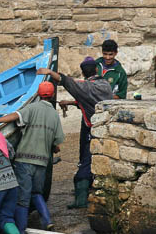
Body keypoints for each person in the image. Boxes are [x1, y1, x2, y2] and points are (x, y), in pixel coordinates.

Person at [0, 82, 65, 234]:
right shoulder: (54, 115)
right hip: (42, 161)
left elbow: (16, 116)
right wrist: (53, 147)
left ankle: (21, 232)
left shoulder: (32, 108)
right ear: (53, 95)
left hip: (24, 160)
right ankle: (47, 221)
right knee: (36, 193)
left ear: (38, 94)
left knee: (23, 198)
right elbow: (58, 142)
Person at [37, 58, 113, 208]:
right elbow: (90, 100)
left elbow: (68, 82)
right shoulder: (106, 85)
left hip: (93, 130)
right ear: (97, 70)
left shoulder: (85, 87)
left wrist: (49, 72)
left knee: (85, 164)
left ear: (83, 73)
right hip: (107, 129)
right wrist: (71, 103)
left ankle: (81, 201)